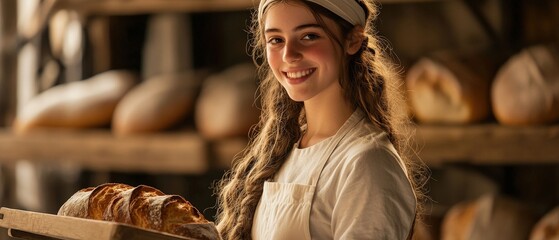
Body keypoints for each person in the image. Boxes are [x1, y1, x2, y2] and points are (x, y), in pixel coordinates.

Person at [215, 0, 427, 239]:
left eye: (309, 36)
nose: (289, 55)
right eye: (276, 40)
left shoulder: (367, 161)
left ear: (353, 40)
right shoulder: (282, 151)